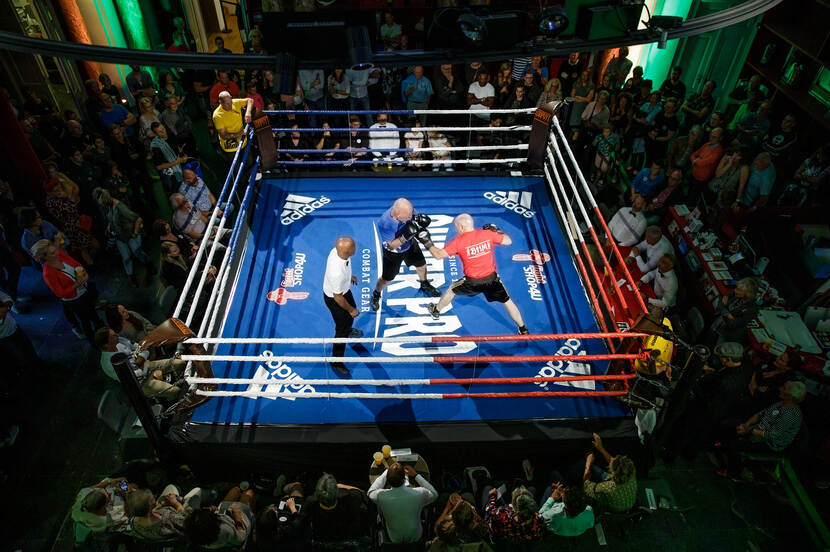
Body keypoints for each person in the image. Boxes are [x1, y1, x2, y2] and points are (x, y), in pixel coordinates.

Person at [421, 214, 529, 334]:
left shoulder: (458, 241)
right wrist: (497, 231)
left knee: (451, 290)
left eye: (456, 227)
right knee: (507, 301)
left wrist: (427, 242)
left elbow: (438, 255)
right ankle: (523, 329)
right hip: (492, 279)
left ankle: (436, 310)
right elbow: (508, 241)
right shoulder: (487, 234)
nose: (455, 230)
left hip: (472, 282)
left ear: (461, 227)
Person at [719, 381, 806, 477]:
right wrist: (746, 425)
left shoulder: (791, 415)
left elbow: (773, 435)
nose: (780, 389)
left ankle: (734, 472)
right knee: (728, 425)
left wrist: (750, 430)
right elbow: (761, 414)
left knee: (735, 445)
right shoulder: (781, 403)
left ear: (791, 397)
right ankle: (723, 450)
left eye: (784, 388)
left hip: (770, 444)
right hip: (758, 430)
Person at [371, 198, 441, 311]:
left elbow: (415, 224)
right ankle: (376, 293)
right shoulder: (385, 223)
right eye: (408, 216)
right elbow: (391, 245)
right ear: (397, 215)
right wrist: (405, 236)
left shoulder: (408, 211)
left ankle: (424, 284)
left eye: (412, 213)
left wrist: (420, 229)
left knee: (422, 265)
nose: (411, 217)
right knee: (386, 279)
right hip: (393, 253)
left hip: (410, 245)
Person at [32, 240, 101, 341]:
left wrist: (84, 273)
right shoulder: (48, 273)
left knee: (93, 314)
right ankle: (93, 340)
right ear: (44, 257)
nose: (57, 253)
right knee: (85, 320)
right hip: (75, 300)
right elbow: (60, 293)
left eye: (55, 250)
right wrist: (76, 284)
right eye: (52, 253)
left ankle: (102, 333)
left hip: (85, 291)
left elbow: (76, 264)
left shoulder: (60, 254)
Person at [95, 327, 184, 402]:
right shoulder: (108, 363)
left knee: (180, 363)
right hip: (142, 384)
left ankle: (170, 381)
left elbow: (143, 348)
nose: (117, 335)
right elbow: (135, 376)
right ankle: (167, 402)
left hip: (147, 365)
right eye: (113, 336)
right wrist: (139, 360)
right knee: (175, 391)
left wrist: (138, 363)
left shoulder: (120, 341)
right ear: (107, 344)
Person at [93, 188, 153, 287]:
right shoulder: (107, 207)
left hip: (130, 234)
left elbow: (138, 219)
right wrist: (109, 226)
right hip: (120, 237)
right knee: (126, 258)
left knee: (138, 252)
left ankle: (149, 265)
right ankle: (132, 278)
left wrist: (135, 233)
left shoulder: (120, 208)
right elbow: (111, 218)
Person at [368, 462, 438, 544]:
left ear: (388, 480)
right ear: (405, 478)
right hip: (416, 536)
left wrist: (386, 473)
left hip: (394, 538)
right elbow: (434, 494)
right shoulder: (419, 493)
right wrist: (416, 475)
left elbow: (370, 492)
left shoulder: (381, 496)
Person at [323, 237, 361, 376]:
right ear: (349, 251)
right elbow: (337, 297)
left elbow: (345, 266)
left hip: (343, 290)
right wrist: (351, 309)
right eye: (354, 246)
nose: (356, 247)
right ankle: (336, 361)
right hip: (336, 299)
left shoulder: (336, 252)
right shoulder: (336, 273)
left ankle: (348, 328)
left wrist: (350, 276)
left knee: (349, 319)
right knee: (341, 330)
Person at [304, 473, 371, 545]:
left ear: (317, 493)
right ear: (336, 491)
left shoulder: (311, 502)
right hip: (347, 535)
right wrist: (342, 486)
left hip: (323, 537)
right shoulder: (350, 497)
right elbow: (362, 492)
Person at [184, 486, 255, 548]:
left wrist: (214, 512)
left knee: (235, 490)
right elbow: (241, 537)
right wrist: (237, 518)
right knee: (248, 493)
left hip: (223, 514)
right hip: (238, 520)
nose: (210, 509)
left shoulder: (198, 530)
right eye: (209, 513)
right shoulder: (226, 531)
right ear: (217, 523)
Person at [583, 433, 637, 512]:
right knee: (597, 470)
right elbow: (613, 462)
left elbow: (586, 487)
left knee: (594, 470)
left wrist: (587, 465)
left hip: (611, 510)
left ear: (613, 473)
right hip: (627, 506)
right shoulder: (631, 474)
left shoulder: (606, 487)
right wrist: (600, 447)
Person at [254, 481, 309, 551]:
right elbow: (298, 521)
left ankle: (281, 490)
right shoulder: (286, 533)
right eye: (276, 511)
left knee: (285, 497)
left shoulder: (261, 540)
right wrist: (292, 507)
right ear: (276, 526)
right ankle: (287, 487)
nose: (276, 509)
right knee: (296, 490)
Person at [709, 277, 758, 345]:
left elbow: (732, 324)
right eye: (737, 288)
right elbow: (720, 302)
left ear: (748, 294)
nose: (735, 290)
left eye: (739, 290)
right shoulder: (736, 293)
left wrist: (724, 309)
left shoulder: (751, 310)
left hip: (725, 334)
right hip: (716, 323)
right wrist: (728, 314)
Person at [0, 290, 38, 376]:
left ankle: (35, 367)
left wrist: (5, 307)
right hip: (4, 337)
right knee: (18, 356)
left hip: (13, 327)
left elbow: (6, 298)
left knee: (27, 348)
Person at [212, 91, 254, 164]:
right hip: (230, 148)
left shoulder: (235, 102)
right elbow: (224, 135)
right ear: (220, 102)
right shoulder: (217, 115)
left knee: (249, 164)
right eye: (227, 104)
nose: (230, 105)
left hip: (243, 143)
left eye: (230, 102)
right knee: (236, 169)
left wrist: (248, 112)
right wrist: (239, 134)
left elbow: (250, 100)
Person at [150, 122, 187, 193]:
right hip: (170, 174)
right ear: (155, 134)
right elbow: (159, 167)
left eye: (163, 129)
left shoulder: (170, 134)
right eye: (160, 131)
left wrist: (183, 155)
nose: (164, 132)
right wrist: (176, 162)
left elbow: (178, 147)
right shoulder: (155, 146)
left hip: (180, 166)